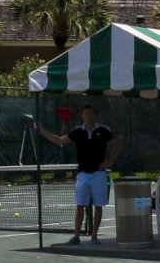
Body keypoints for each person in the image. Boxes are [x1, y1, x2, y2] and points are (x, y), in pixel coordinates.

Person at [35, 105, 122, 245]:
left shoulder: (103, 130)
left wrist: (109, 162)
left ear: (95, 115)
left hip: (99, 174)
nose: (89, 116)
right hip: (83, 174)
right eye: (86, 113)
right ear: (82, 116)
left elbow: (117, 143)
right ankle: (76, 236)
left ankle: (94, 236)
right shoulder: (77, 131)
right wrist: (41, 130)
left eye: (91, 113)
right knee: (80, 205)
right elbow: (59, 140)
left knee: (98, 206)